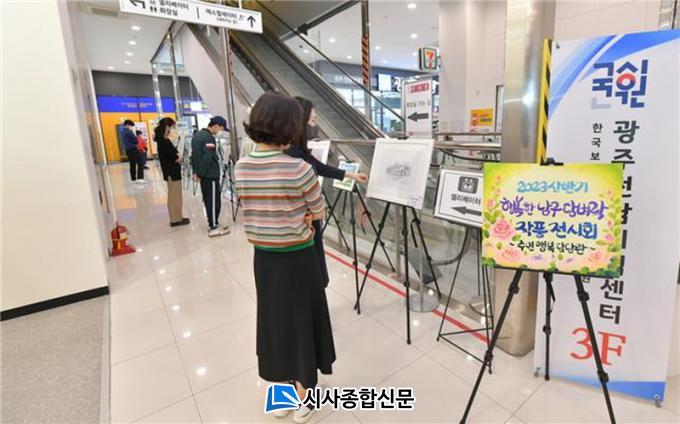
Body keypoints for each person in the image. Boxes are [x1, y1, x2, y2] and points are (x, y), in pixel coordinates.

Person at [234, 93, 335, 424]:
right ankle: (304, 396)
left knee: (274, 324)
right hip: (298, 259)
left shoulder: (241, 166)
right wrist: (301, 215)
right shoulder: (299, 168)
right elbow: (317, 210)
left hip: (264, 260)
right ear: (288, 126)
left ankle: (281, 395)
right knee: (302, 325)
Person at [287, 96, 368, 287]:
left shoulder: (299, 150)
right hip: (305, 221)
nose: (315, 126)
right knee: (311, 269)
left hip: (311, 217)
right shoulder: (292, 156)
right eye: (312, 121)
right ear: (299, 123)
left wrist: (349, 175)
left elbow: (320, 167)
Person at [191, 116, 230, 237]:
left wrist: (197, 172)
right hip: (210, 174)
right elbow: (207, 158)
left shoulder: (197, 135)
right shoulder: (208, 138)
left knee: (209, 199)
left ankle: (215, 222)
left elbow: (194, 156)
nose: (221, 132)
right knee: (213, 201)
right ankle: (213, 226)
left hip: (204, 174)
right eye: (221, 129)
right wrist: (201, 174)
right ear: (216, 126)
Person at [155, 117, 190, 227]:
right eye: (172, 127)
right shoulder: (164, 141)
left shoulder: (162, 140)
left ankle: (177, 216)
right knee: (175, 196)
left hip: (170, 172)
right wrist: (179, 157)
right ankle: (175, 219)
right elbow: (173, 156)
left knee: (174, 195)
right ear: (167, 127)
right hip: (172, 172)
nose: (172, 130)